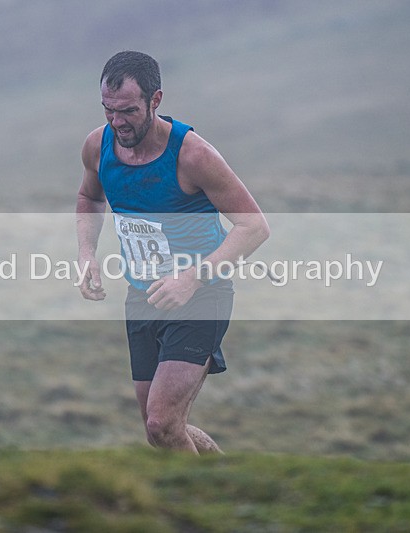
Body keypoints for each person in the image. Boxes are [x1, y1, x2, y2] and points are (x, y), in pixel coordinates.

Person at [76, 51, 269, 454]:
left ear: (156, 100)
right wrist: (86, 253)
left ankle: (206, 507)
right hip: (143, 297)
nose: (117, 122)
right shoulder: (98, 145)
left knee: (162, 422)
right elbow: (88, 197)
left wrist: (192, 277)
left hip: (200, 296)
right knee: (158, 427)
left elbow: (253, 227)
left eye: (128, 111)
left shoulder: (193, 155)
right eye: (108, 110)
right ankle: (222, 481)